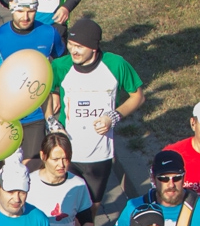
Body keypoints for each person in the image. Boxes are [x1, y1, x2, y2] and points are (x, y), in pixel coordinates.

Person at [44, 19, 144, 205]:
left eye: (79, 47)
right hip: (67, 150)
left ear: (94, 48)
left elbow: (138, 96)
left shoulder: (116, 65)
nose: (73, 51)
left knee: (92, 206)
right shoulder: (60, 66)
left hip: (100, 153)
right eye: (71, 45)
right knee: (64, 206)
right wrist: (52, 122)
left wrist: (113, 116)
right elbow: (44, 94)